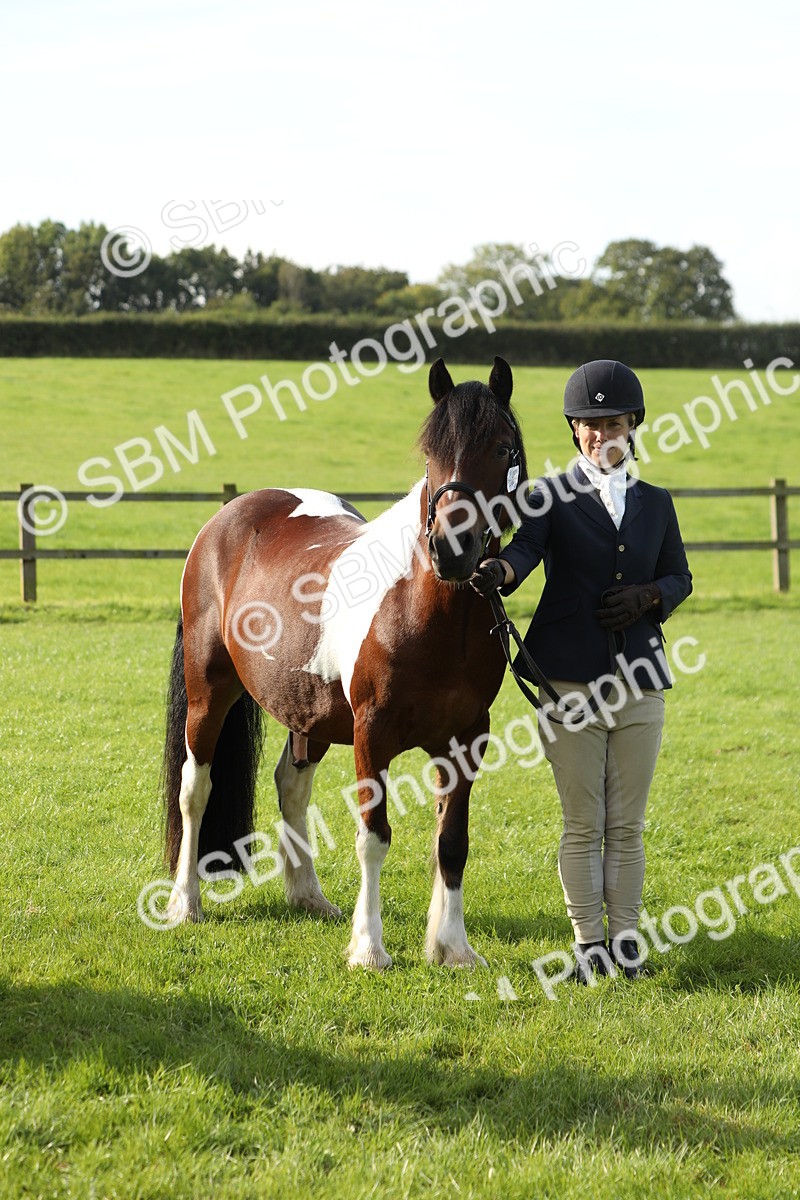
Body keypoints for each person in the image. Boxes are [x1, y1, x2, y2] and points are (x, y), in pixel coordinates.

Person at [471, 360, 692, 982]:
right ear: (574, 429)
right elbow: (525, 550)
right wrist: (500, 573)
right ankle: (588, 945)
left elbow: (681, 575)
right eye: (590, 425)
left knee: (627, 824)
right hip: (568, 679)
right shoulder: (549, 496)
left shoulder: (657, 502)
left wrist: (650, 598)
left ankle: (625, 943)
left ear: (632, 427)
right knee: (582, 822)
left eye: (614, 423)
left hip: (641, 681)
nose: (602, 435)